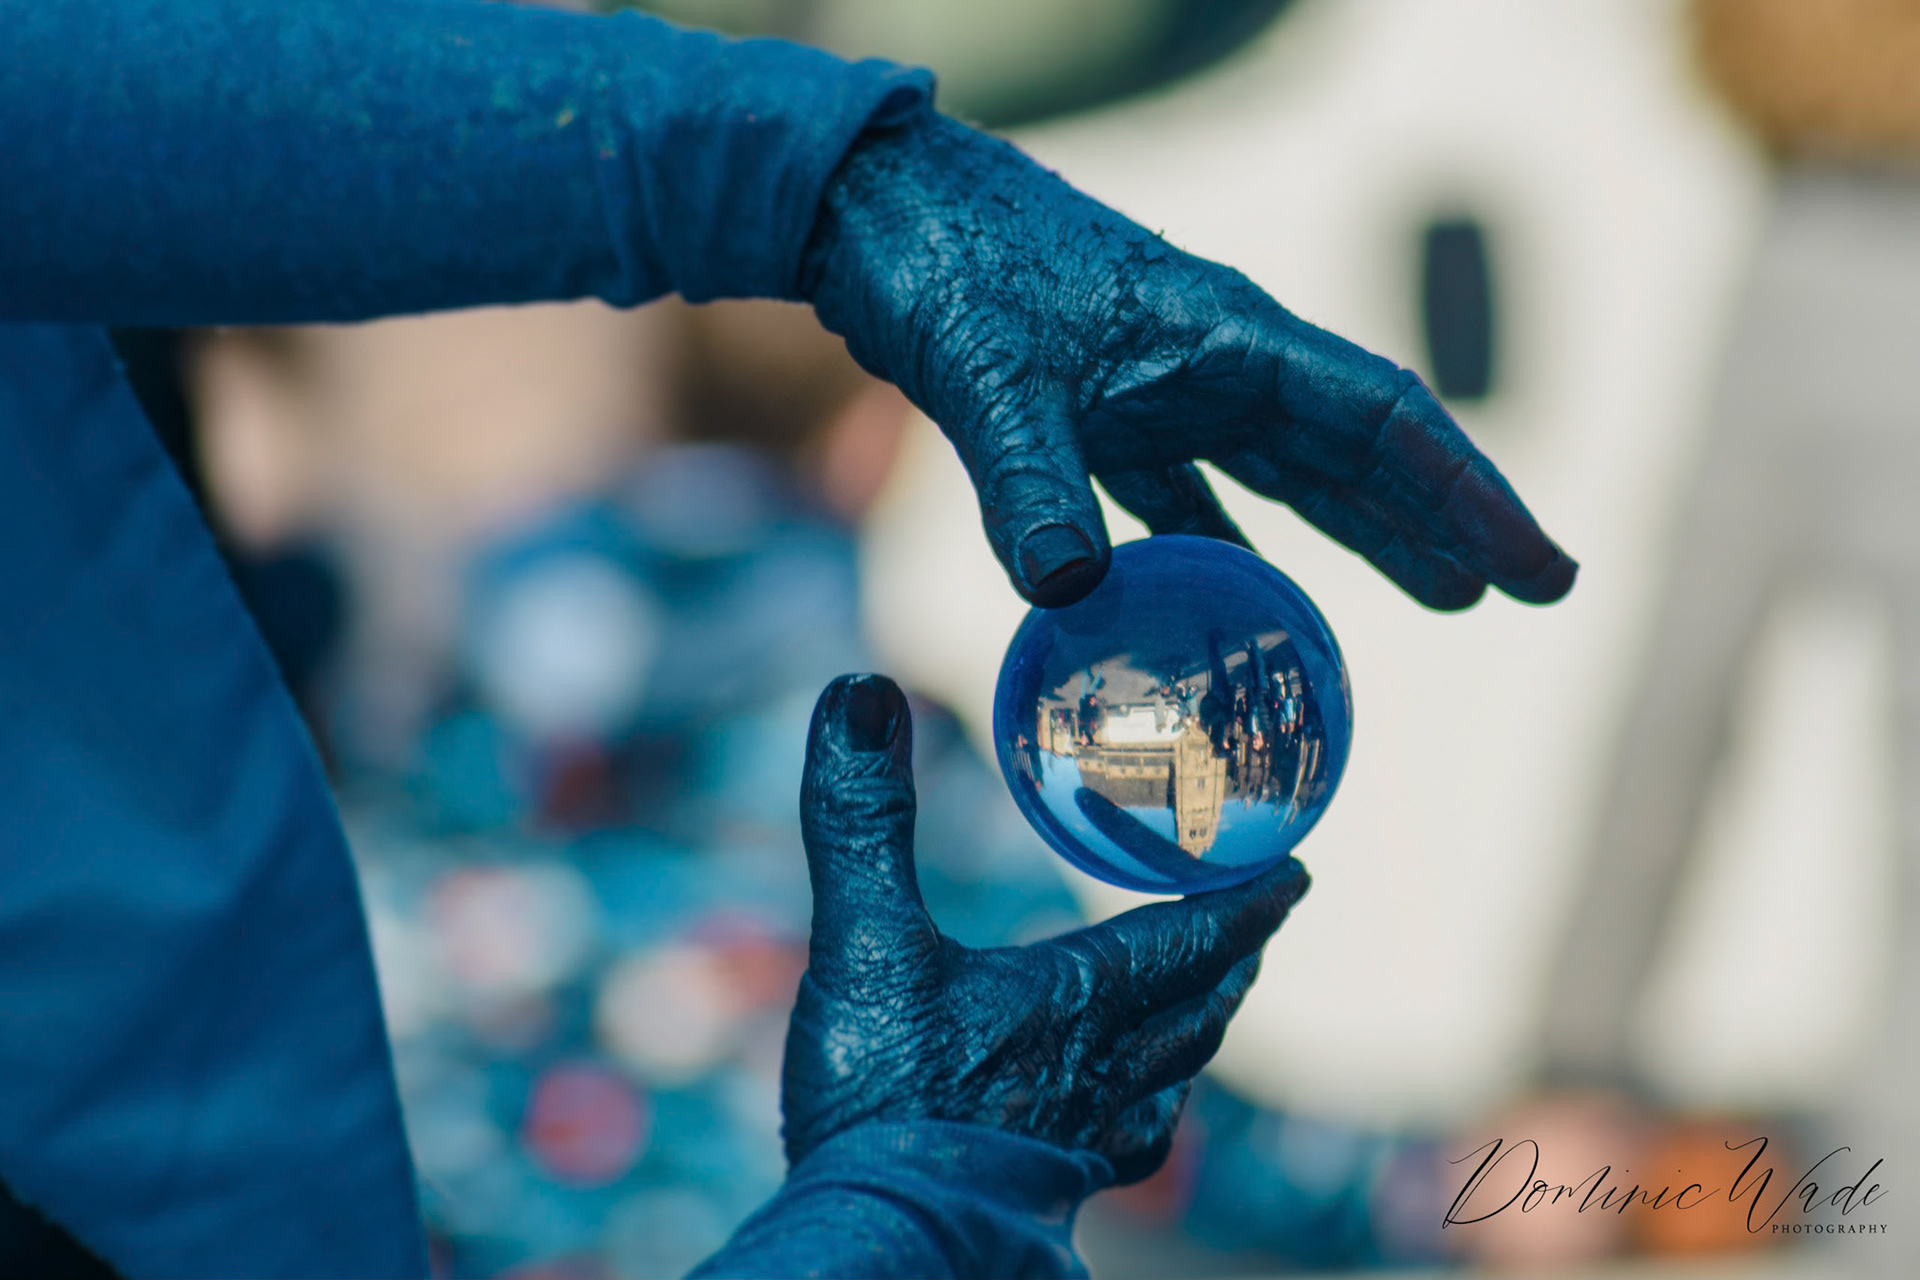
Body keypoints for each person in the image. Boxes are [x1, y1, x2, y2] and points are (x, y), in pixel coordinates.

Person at [0, 1, 1576, 1275]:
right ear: (869, 451)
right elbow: (1181, 1139)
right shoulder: (897, 772)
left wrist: (806, 180)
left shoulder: (411, 722)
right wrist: (902, 1219)